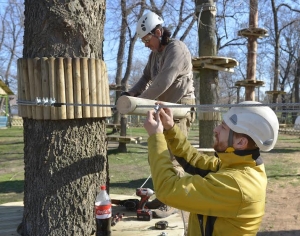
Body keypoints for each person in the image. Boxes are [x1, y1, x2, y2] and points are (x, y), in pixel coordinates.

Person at [143, 101, 279, 235]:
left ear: (240, 142)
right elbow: (195, 160)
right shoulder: (239, 165)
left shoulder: (236, 184)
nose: (216, 129)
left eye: (223, 127)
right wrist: (170, 128)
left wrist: (156, 138)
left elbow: (167, 189)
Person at [122, 11, 196, 217]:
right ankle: (164, 196)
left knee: (172, 156)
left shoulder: (177, 49)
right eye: (143, 40)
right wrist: (131, 93)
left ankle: (172, 202)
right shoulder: (154, 55)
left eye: (147, 39)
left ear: (158, 32)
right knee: (158, 153)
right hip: (163, 105)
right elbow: (146, 77)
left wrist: (138, 102)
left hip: (180, 107)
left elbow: (164, 81)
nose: (146, 44)